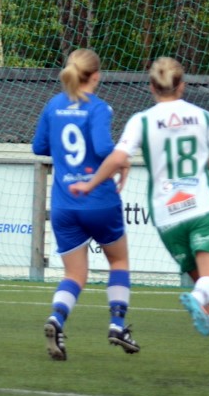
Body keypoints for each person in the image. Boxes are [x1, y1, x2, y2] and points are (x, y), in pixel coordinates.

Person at [70, 56, 209, 374]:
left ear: (151, 87)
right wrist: (201, 161)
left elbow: (117, 157)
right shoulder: (202, 117)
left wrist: (90, 184)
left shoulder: (141, 120)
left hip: (167, 216)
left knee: (207, 286)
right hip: (201, 208)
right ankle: (197, 299)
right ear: (182, 85)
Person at [32, 48, 139, 361]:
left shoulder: (53, 105)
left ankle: (57, 319)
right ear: (96, 76)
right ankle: (117, 325)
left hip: (65, 203)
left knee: (75, 274)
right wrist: (123, 161)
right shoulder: (98, 107)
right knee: (118, 261)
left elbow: (39, 146)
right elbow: (105, 148)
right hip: (98, 199)